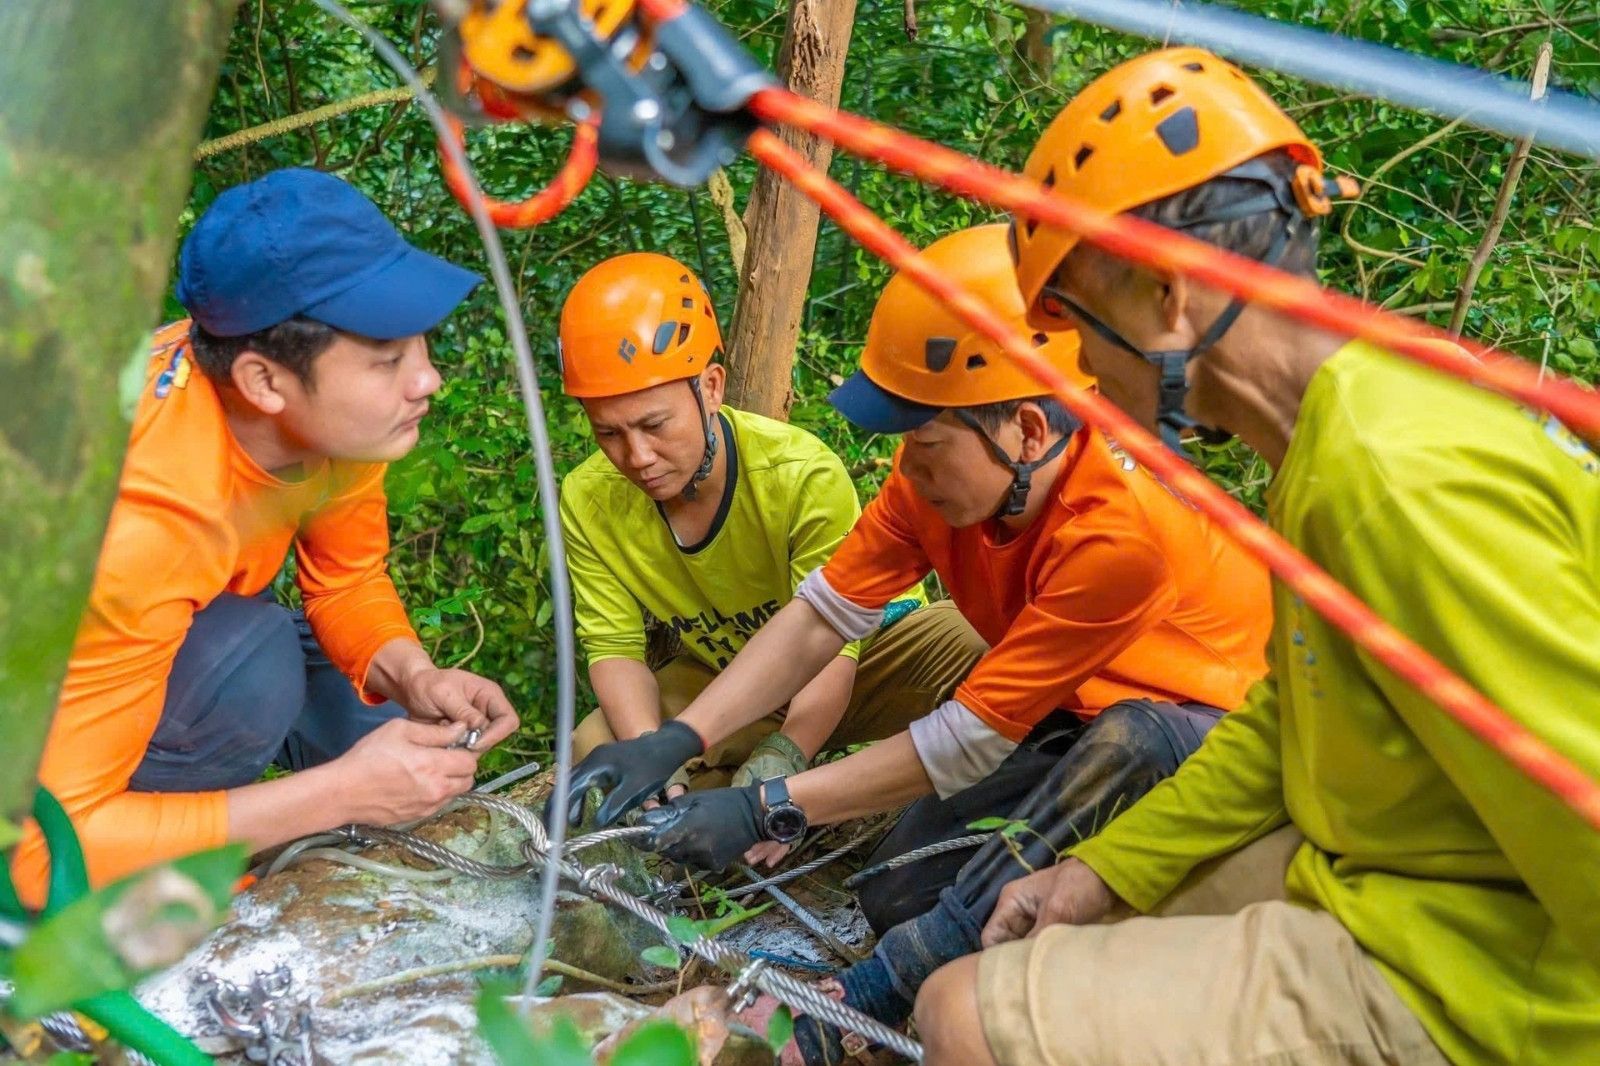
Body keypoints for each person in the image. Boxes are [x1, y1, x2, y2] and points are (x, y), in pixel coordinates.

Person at [912, 48, 1600, 1066]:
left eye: (1086, 333)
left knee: (962, 1013)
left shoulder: (1392, 479)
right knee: (1078, 929)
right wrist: (1103, 870)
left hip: (1489, 978)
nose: (1092, 380)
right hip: (1398, 880)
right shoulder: (1347, 422)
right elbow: (1290, 715)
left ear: (1165, 296)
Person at [564, 226, 1274, 1055]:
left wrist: (772, 806)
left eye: (927, 442)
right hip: (1080, 718)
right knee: (897, 885)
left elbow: (969, 737)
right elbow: (822, 615)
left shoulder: (1121, 532)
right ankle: (1023, 917)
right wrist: (684, 738)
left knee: (1134, 740)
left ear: (1027, 432)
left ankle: (873, 994)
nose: (910, 466)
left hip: (1210, 739)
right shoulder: (934, 484)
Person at [10, 169, 519, 908]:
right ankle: (159, 906)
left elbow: (346, 581)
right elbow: (36, 856)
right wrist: (340, 793)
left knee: (379, 714)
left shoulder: (338, 432)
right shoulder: (141, 523)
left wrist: (414, 675)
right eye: (387, 361)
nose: (428, 380)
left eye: (421, 348)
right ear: (263, 381)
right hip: (35, 734)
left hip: (141, 647)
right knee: (254, 663)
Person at [558, 252, 985, 851]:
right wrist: (655, 761)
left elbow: (834, 633)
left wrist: (787, 759)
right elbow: (614, 648)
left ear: (709, 387)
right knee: (599, 740)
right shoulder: (590, 498)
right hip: (732, 679)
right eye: (609, 433)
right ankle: (700, 816)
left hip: (867, 657)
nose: (637, 457)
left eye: (654, 425)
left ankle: (949, 812)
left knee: (974, 640)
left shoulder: (796, 473)